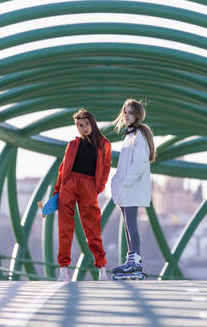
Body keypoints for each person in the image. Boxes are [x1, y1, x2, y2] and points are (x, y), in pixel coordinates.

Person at [53, 109, 111, 281]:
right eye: (80, 125)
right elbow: (62, 169)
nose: (84, 128)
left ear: (92, 123)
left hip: (88, 185)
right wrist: (57, 191)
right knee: (65, 228)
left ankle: (101, 268)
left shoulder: (103, 144)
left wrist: (98, 187)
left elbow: (106, 167)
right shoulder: (72, 144)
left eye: (86, 124)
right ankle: (63, 269)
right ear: (77, 127)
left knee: (92, 228)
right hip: (68, 185)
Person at [111, 99, 156, 279]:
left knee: (131, 224)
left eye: (130, 112)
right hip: (125, 188)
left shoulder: (139, 135)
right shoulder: (129, 136)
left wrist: (127, 182)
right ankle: (132, 259)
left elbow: (140, 162)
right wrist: (117, 181)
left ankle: (135, 260)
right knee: (128, 225)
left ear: (137, 115)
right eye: (125, 112)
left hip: (131, 187)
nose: (126, 115)